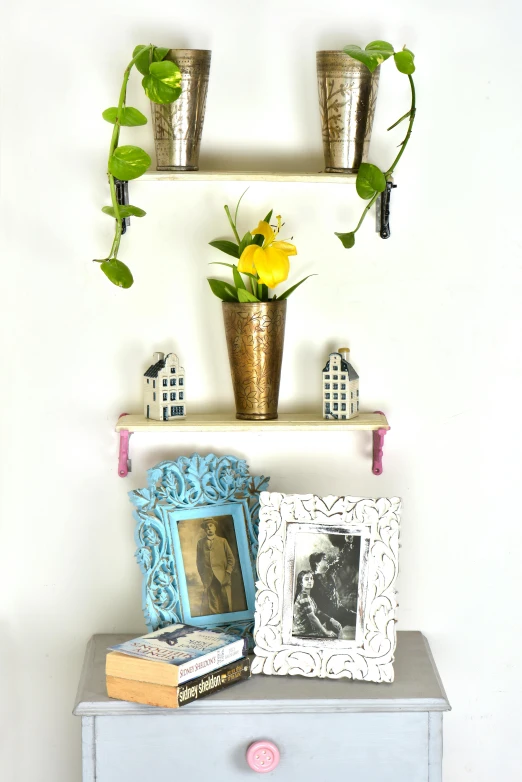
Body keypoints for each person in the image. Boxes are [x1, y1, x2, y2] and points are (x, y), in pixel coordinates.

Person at [196, 519, 235, 615]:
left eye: (211, 525)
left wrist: (228, 572)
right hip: (209, 578)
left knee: (226, 603)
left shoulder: (222, 541)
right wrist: (203, 577)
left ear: (215, 528)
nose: (209, 528)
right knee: (213, 605)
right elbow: (199, 562)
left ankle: (230, 621)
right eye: (206, 527)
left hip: (223, 577)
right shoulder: (200, 543)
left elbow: (231, 559)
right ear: (205, 530)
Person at [309, 551, 355, 627]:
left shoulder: (329, 574)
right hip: (326, 619)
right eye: (324, 559)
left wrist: (348, 543)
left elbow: (340, 560)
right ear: (317, 563)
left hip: (339, 611)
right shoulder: (311, 580)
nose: (327, 561)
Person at [292, 570, 342, 638]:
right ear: (301, 583)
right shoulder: (303, 596)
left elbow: (318, 611)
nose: (310, 581)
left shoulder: (309, 597)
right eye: (306, 579)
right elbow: (312, 617)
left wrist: (331, 620)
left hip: (308, 630)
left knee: (337, 629)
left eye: (311, 578)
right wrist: (325, 632)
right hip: (302, 632)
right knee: (335, 635)